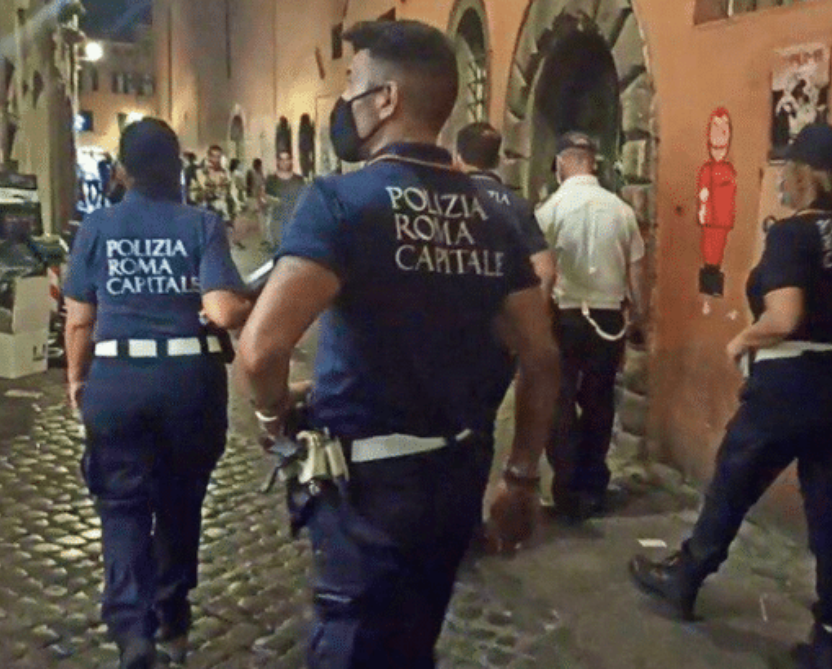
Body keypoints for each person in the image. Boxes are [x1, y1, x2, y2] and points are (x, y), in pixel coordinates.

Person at [238, 20, 559, 668]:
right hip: (456, 476)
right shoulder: (495, 214)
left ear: (385, 99)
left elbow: (260, 350)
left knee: (354, 644)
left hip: (368, 488)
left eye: (353, 83)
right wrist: (522, 474)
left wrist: (273, 415)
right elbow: (542, 357)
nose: (346, 100)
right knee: (414, 641)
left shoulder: (339, 203)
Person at [628, 124, 832, 669]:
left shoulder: (792, 235)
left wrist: (742, 339)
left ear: (802, 175)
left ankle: (685, 578)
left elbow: (784, 317)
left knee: (733, 485)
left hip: (787, 386)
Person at [63, 118, 253, 669]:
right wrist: (246, 298)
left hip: (118, 380)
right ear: (177, 167)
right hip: (188, 384)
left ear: (123, 169)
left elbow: (79, 320)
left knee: (121, 506)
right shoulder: (201, 223)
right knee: (180, 500)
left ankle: (132, 631)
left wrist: (78, 379)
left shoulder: (97, 226)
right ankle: (171, 613)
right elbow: (222, 311)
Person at [535, 131, 649, 521]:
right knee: (600, 401)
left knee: (560, 400)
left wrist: (537, 319)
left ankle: (566, 488)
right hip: (609, 317)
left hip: (565, 314)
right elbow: (637, 270)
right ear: (592, 162)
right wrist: (639, 316)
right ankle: (593, 485)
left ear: (562, 162)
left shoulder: (550, 210)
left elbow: (543, 272)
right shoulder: (621, 210)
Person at [454, 121, 556, 501]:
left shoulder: (446, 197)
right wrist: (525, 326)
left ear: (457, 157)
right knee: (483, 423)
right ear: (497, 159)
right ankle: (472, 505)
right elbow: (545, 270)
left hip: (449, 334)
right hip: (497, 342)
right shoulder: (516, 206)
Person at [264, 149, 306, 249]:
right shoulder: (271, 180)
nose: (285, 162)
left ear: (291, 161)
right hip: (277, 222)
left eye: (287, 159)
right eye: (282, 160)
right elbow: (266, 198)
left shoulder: (299, 180)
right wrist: (273, 201)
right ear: (278, 162)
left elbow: (304, 199)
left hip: (295, 223)